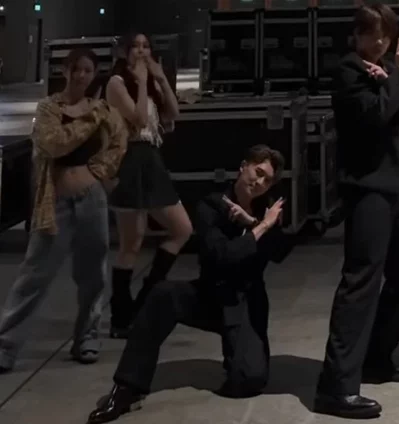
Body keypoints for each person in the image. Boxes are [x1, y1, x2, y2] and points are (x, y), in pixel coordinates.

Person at [86, 145, 289, 424]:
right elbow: (222, 256)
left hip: (244, 302)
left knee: (249, 380)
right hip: (209, 295)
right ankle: (126, 389)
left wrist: (254, 221)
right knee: (162, 295)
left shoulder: (268, 210)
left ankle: (237, 352)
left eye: (267, 180)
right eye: (258, 172)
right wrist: (261, 227)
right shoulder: (212, 205)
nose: (260, 182)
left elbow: (280, 253)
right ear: (244, 166)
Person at [314, 3, 399, 419]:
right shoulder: (348, 71)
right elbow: (377, 115)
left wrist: (394, 77)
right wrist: (392, 79)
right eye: (372, 34)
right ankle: (337, 386)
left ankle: (377, 356)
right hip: (368, 189)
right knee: (361, 282)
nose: (379, 42)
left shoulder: (386, 71)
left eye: (386, 35)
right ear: (357, 34)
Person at [0, 49, 127, 372]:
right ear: (65, 71)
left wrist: (98, 172)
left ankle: (87, 338)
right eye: (76, 69)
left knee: (92, 275)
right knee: (34, 276)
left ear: (94, 74)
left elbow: (119, 141)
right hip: (55, 205)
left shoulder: (102, 110)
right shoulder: (50, 108)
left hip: (91, 201)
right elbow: (54, 143)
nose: (81, 75)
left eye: (87, 70)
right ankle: (5, 346)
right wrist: (89, 118)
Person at [104, 33, 191, 339]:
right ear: (124, 52)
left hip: (151, 159)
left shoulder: (150, 81)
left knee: (182, 229)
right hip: (130, 160)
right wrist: (141, 82)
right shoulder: (116, 83)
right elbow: (139, 120)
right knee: (132, 242)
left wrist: (160, 79)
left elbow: (174, 113)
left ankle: (145, 297)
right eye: (135, 47)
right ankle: (120, 315)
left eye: (146, 46)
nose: (141, 52)